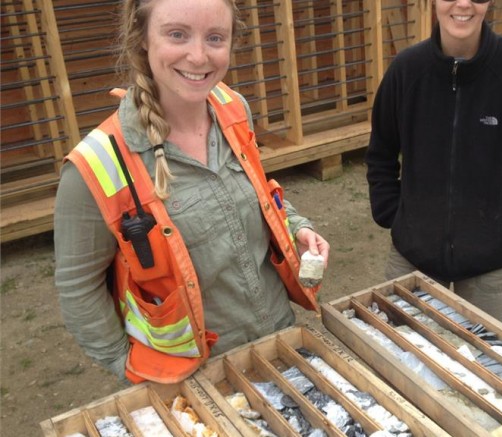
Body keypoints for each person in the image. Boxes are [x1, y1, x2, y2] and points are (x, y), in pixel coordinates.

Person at [54, 0, 329, 384]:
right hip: (195, 375)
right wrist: (127, 366)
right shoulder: (97, 165)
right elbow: (78, 287)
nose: (198, 56)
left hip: (278, 340)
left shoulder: (233, 109)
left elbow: (255, 195)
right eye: (177, 34)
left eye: (215, 38)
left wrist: (297, 226)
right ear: (142, 37)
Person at [365, 0, 502, 323]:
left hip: (492, 263)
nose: (464, 3)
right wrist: (393, 214)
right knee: (407, 349)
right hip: (414, 258)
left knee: (481, 353)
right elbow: (381, 152)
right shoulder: (406, 69)